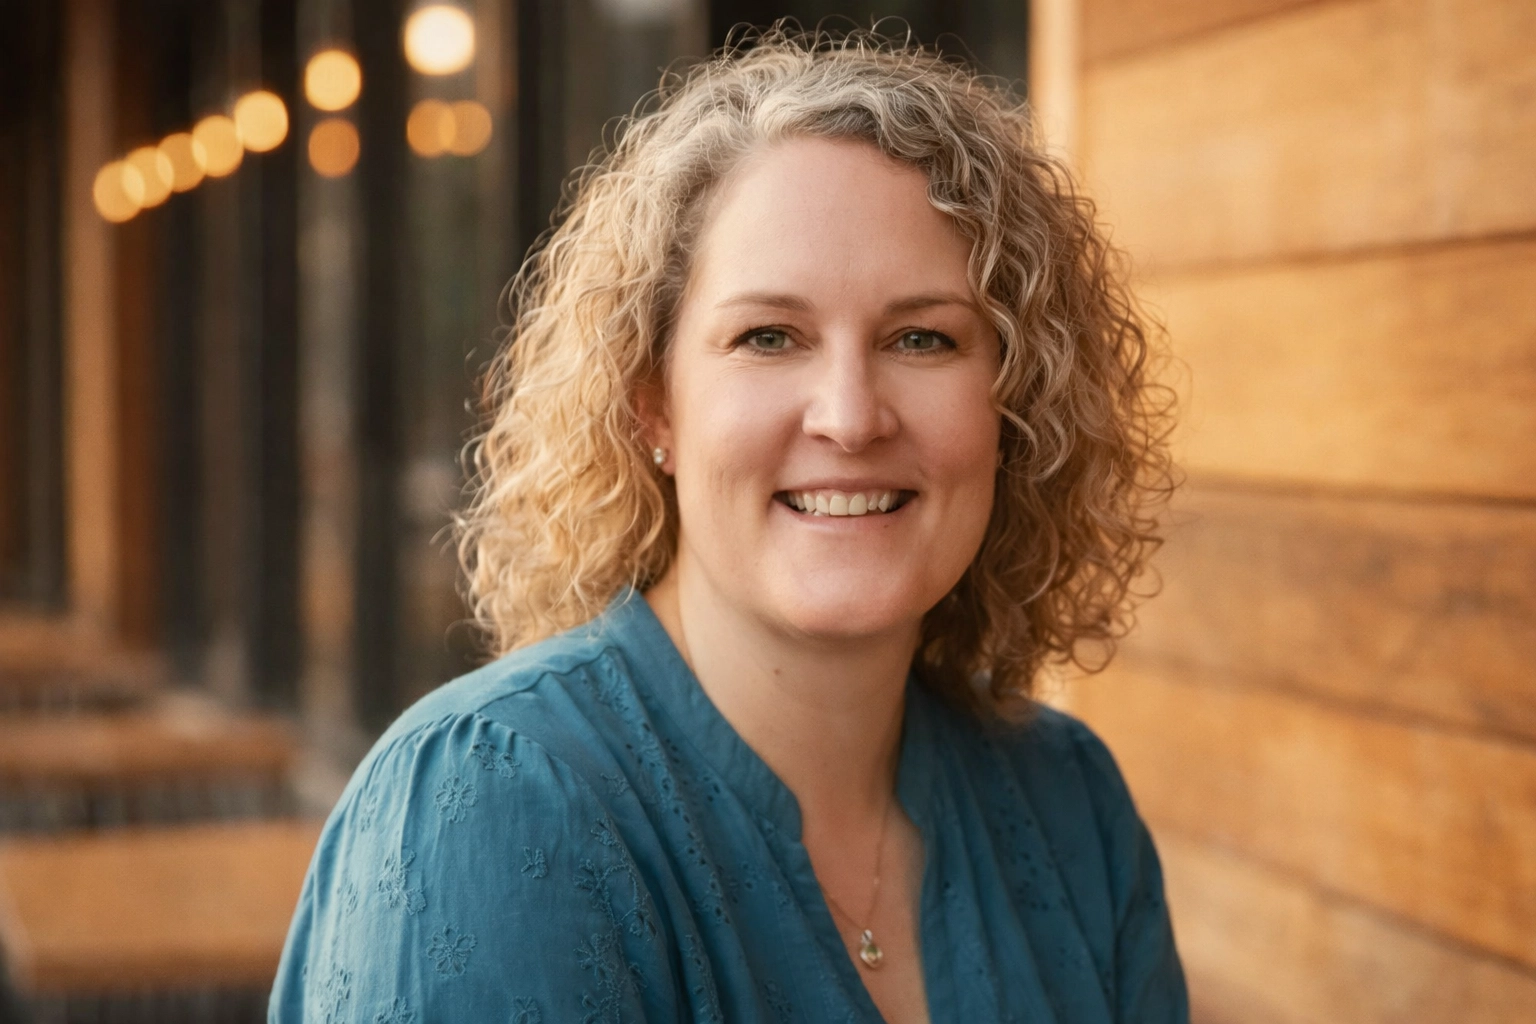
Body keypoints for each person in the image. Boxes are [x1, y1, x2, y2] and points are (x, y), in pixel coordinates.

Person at [270, 27, 1185, 1024]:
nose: (849, 413)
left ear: (1015, 402)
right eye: (769, 337)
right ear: (654, 405)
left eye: (922, 337)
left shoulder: (1066, 804)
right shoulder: (490, 813)